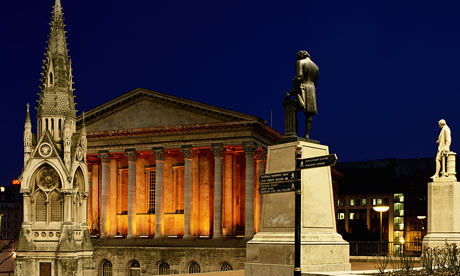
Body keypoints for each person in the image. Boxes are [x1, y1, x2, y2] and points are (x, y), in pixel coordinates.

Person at [289, 50, 319, 139]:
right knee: (309, 114)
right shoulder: (316, 67)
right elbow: (315, 81)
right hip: (312, 89)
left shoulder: (300, 62)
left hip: (303, 88)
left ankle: (294, 133)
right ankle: (307, 134)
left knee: (293, 109)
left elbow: (299, 77)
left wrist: (291, 92)